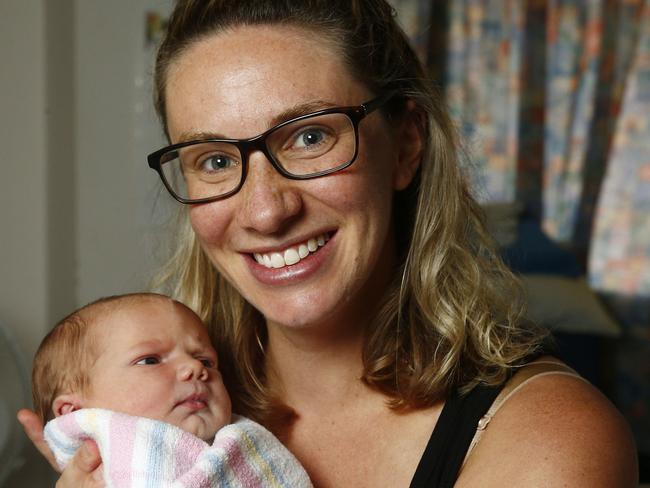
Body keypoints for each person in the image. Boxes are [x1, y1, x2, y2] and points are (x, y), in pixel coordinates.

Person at [19, 0, 638, 486]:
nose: (265, 210)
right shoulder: (149, 415)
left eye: (310, 137)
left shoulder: (551, 439)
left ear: (407, 144)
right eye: (212, 158)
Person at [31, 292, 312, 487]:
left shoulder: (242, 447)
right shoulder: (115, 467)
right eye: (150, 360)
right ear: (76, 412)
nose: (195, 368)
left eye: (206, 360)